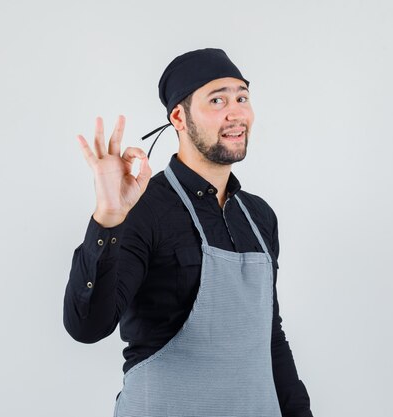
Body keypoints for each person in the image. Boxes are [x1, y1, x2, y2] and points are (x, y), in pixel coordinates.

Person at [63, 48, 313, 417]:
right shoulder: (142, 208)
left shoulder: (259, 217)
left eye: (242, 98)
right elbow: (86, 327)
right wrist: (107, 219)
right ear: (179, 117)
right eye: (217, 100)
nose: (236, 112)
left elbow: (269, 340)